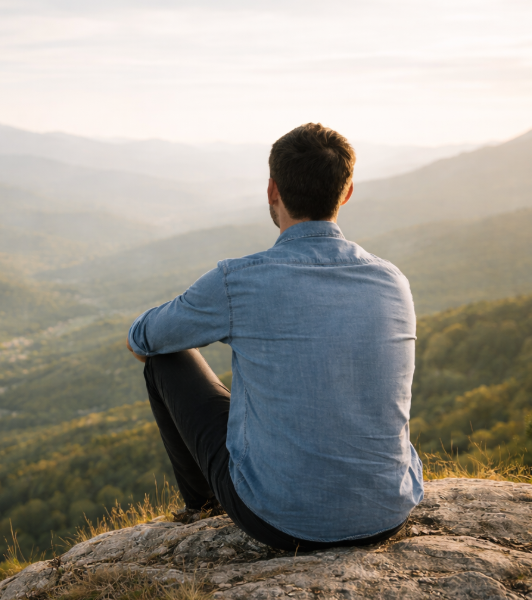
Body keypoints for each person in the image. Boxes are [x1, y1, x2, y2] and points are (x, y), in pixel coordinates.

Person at [125, 123, 423, 551]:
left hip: (279, 520)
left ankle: (203, 506)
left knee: (165, 360)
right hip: (387, 513)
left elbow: (143, 339)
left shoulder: (238, 281)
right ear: (347, 192)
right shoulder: (392, 281)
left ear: (272, 191)